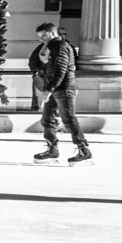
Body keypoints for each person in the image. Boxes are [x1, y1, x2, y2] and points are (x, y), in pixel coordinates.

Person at [29, 21, 91, 163]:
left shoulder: (61, 46)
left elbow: (61, 70)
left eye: (44, 36)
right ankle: (52, 150)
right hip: (55, 89)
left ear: (52, 33)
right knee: (47, 119)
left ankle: (84, 151)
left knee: (69, 119)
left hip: (64, 89)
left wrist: (49, 90)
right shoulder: (51, 47)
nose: (41, 39)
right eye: (40, 37)